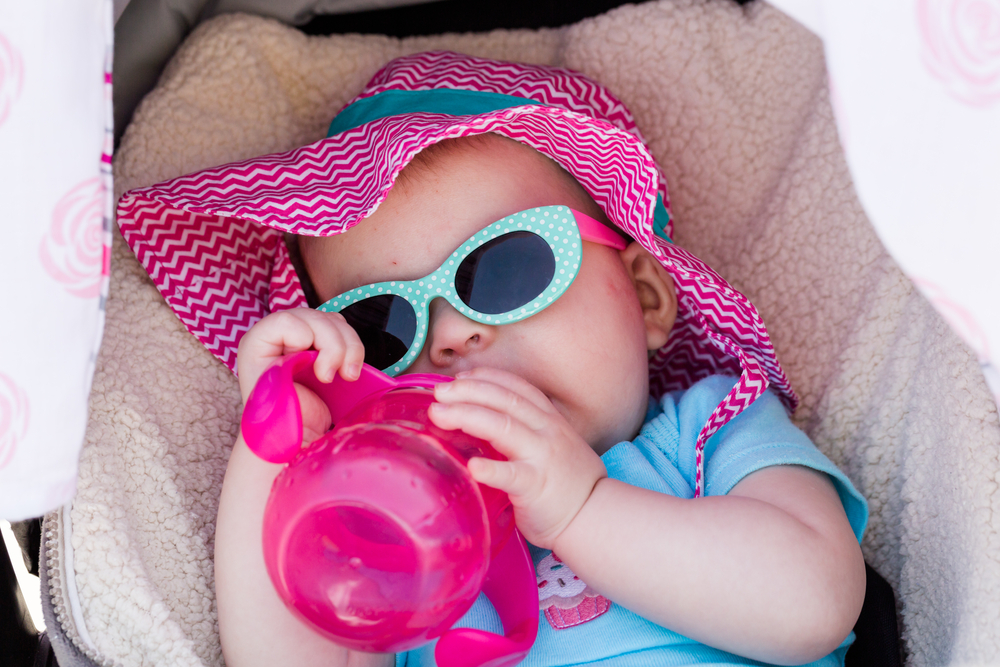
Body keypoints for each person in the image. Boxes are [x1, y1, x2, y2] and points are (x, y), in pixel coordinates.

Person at [116, 51, 868, 667]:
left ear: (644, 295)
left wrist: (582, 509)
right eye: (382, 323)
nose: (449, 338)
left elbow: (814, 601)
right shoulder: (404, 534)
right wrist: (279, 441)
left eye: (505, 270)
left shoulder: (710, 428)